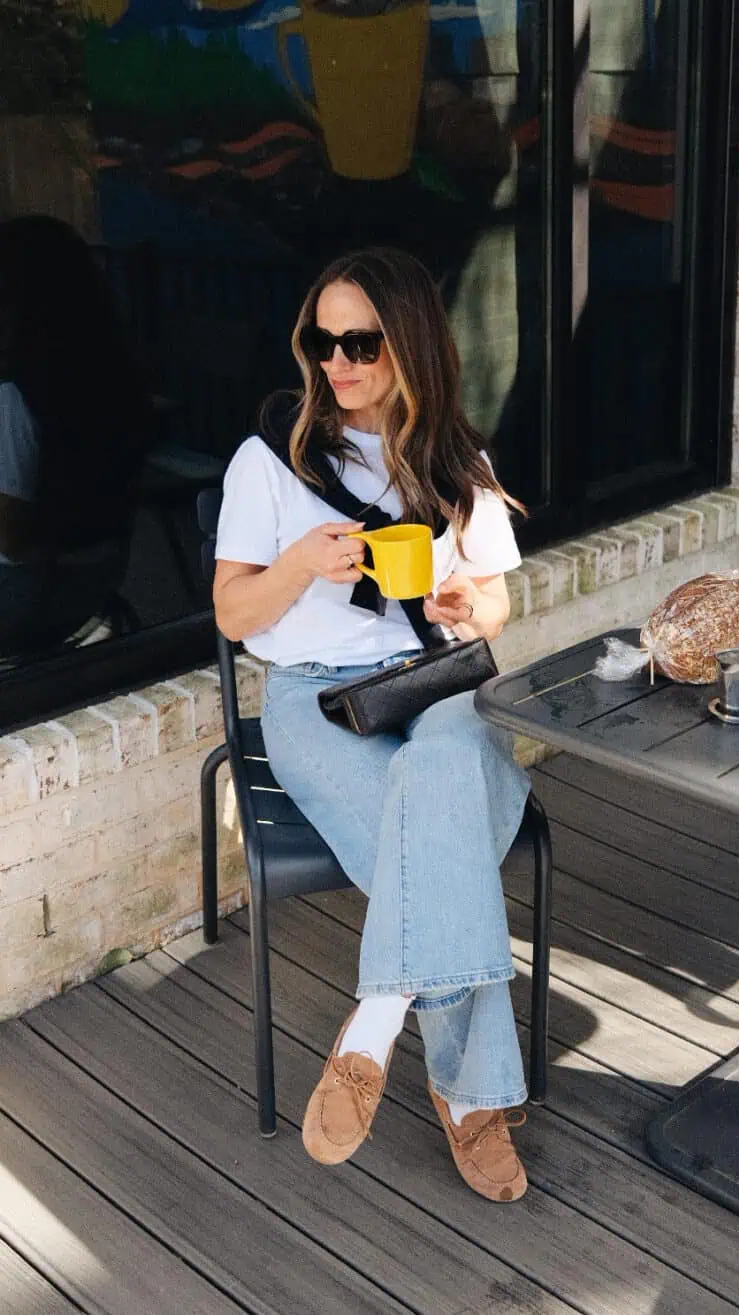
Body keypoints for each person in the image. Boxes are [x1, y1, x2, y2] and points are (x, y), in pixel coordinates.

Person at [213, 247, 532, 1202]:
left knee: (439, 772)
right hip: (312, 697)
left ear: (409, 342)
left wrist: (465, 606)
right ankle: (470, 1096)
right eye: (323, 341)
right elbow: (232, 613)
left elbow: (494, 605)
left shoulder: (455, 460)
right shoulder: (271, 460)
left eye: (361, 342)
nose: (337, 362)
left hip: (431, 682)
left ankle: (376, 1020)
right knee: (445, 825)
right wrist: (298, 566)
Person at [0, 215, 151, 656]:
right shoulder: (114, 377)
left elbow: (11, 538)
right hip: (94, 585)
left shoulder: (14, 394)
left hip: (28, 599)